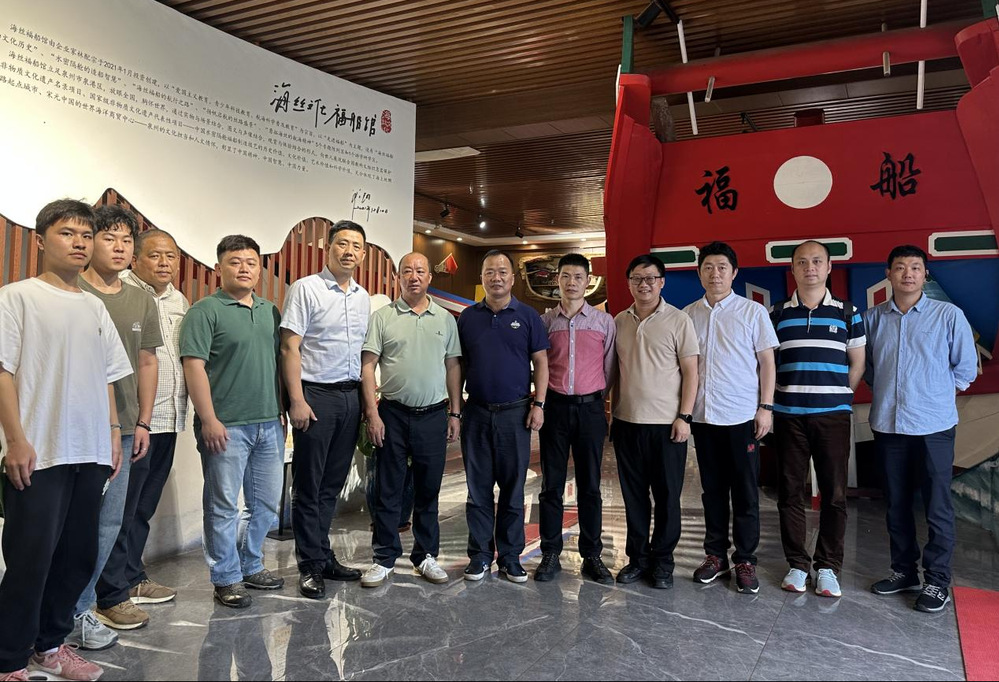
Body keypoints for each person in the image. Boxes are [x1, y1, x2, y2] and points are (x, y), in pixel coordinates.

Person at [0, 199, 132, 681]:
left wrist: (113, 433)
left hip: (90, 450)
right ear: (40, 240)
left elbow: (108, 377)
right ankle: (9, 659)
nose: (79, 243)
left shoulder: (94, 306)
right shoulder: (16, 297)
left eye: (85, 235)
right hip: (39, 449)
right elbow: (3, 372)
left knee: (77, 557)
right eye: (67, 233)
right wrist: (15, 440)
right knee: (30, 559)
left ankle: (50, 646)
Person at [864, 245, 977, 613]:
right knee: (896, 503)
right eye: (900, 267)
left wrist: (935, 395)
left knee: (937, 506)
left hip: (934, 426)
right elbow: (868, 369)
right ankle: (903, 571)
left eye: (915, 267)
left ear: (925, 274)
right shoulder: (872, 318)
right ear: (888, 274)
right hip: (889, 424)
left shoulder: (948, 315)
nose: (908, 274)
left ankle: (937, 581)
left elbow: (965, 369)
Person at [69, 206, 163, 644]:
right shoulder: (72, 290)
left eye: (127, 240)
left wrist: (143, 421)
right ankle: (54, 614)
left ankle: (82, 609)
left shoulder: (141, 298)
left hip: (124, 428)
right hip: (73, 428)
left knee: (109, 524)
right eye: (109, 238)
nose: (120, 247)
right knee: (70, 524)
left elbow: (148, 362)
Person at [180, 235, 285, 608]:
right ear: (218, 268)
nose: (244, 268)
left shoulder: (271, 311)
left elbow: (279, 364)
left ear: (259, 269)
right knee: (223, 505)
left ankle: (251, 564)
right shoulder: (204, 311)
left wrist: (283, 411)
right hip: (225, 425)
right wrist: (208, 418)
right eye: (235, 261)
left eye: (251, 262)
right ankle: (225, 577)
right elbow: (194, 366)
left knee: (266, 504)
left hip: (269, 423)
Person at [358, 252, 462, 587]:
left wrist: (455, 412)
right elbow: (367, 366)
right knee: (388, 490)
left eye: (420, 271)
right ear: (397, 277)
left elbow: (453, 367)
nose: (413, 276)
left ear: (429, 277)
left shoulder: (444, 319)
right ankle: (384, 558)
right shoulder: (383, 317)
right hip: (392, 414)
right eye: (407, 271)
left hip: (433, 415)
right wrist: (372, 414)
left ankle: (425, 556)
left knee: (428, 490)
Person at [770, 240, 865, 598]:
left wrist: (838, 395)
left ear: (828, 267)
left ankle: (828, 567)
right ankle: (797, 564)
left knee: (834, 494)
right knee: (790, 492)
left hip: (833, 417)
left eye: (816, 261)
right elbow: (768, 365)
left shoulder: (848, 313)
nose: (809, 267)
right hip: (788, 417)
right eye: (802, 262)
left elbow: (858, 364)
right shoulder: (776, 314)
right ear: (792, 268)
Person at [682, 242, 777, 594]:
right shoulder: (688, 315)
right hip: (704, 417)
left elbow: (767, 363)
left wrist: (766, 407)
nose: (715, 273)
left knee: (746, 492)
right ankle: (715, 556)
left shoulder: (753, 312)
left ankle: (746, 559)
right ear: (699, 273)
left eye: (722, 267)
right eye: (708, 267)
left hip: (742, 417)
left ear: (734, 273)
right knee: (712, 491)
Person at [280, 220, 368, 598]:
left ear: (362, 254)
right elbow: (290, 347)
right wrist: (296, 400)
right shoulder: (306, 288)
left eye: (356, 246)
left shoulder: (362, 296)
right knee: (309, 484)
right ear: (327, 247)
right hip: (316, 396)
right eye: (342, 244)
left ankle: (323, 554)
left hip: (350, 397)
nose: (349, 251)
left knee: (332, 484)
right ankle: (310, 565)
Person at [108, 229, 189, 610]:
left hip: (168, 417)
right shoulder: (121, 292)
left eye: (170, 256)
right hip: (133, 421)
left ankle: (131, 576)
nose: (164, 263)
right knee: (121, 509)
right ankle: (111, 587)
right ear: (136, 258)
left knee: (143, 506)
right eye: (155, 255)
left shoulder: (179, 299)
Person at [458, 250, 549, 583]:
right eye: (489, 272)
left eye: (502, 272)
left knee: (513, 489)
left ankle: (510, 557)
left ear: (512, 278)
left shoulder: (528, 316)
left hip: (515, 414)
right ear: (482, 277)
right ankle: (480, 556)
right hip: (477, 413)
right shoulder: (467, 318)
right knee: (478, 489)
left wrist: (539, 404)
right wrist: (455, 409)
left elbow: (541, 362)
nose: (495, 277)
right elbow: (458, 365)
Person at [612, 254, 699, 590]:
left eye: (650, 278)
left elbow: (691, 372)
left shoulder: (679, 320)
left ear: (662, 282)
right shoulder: (619, 321)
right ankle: (637, 559)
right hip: (627, 422)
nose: (644, 284)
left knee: (666, 497)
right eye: (637, 278)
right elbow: (614, 372)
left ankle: (662, 562)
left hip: (667, 426)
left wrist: (684, 417)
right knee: (633, 497)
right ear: (629, 283)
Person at [534, 253, 616, 585]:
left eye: (578, 277)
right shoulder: (545, 322)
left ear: (588, 281)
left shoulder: (603, 322)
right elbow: (538, 365)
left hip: (590, 410)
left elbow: (609, 368)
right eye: (566, 276)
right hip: (554, 409)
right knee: (551, 486)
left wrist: (593, 396)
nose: (572, 283)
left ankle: (592, 555)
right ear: (558, 280)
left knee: (590, 486)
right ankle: (550, 553)